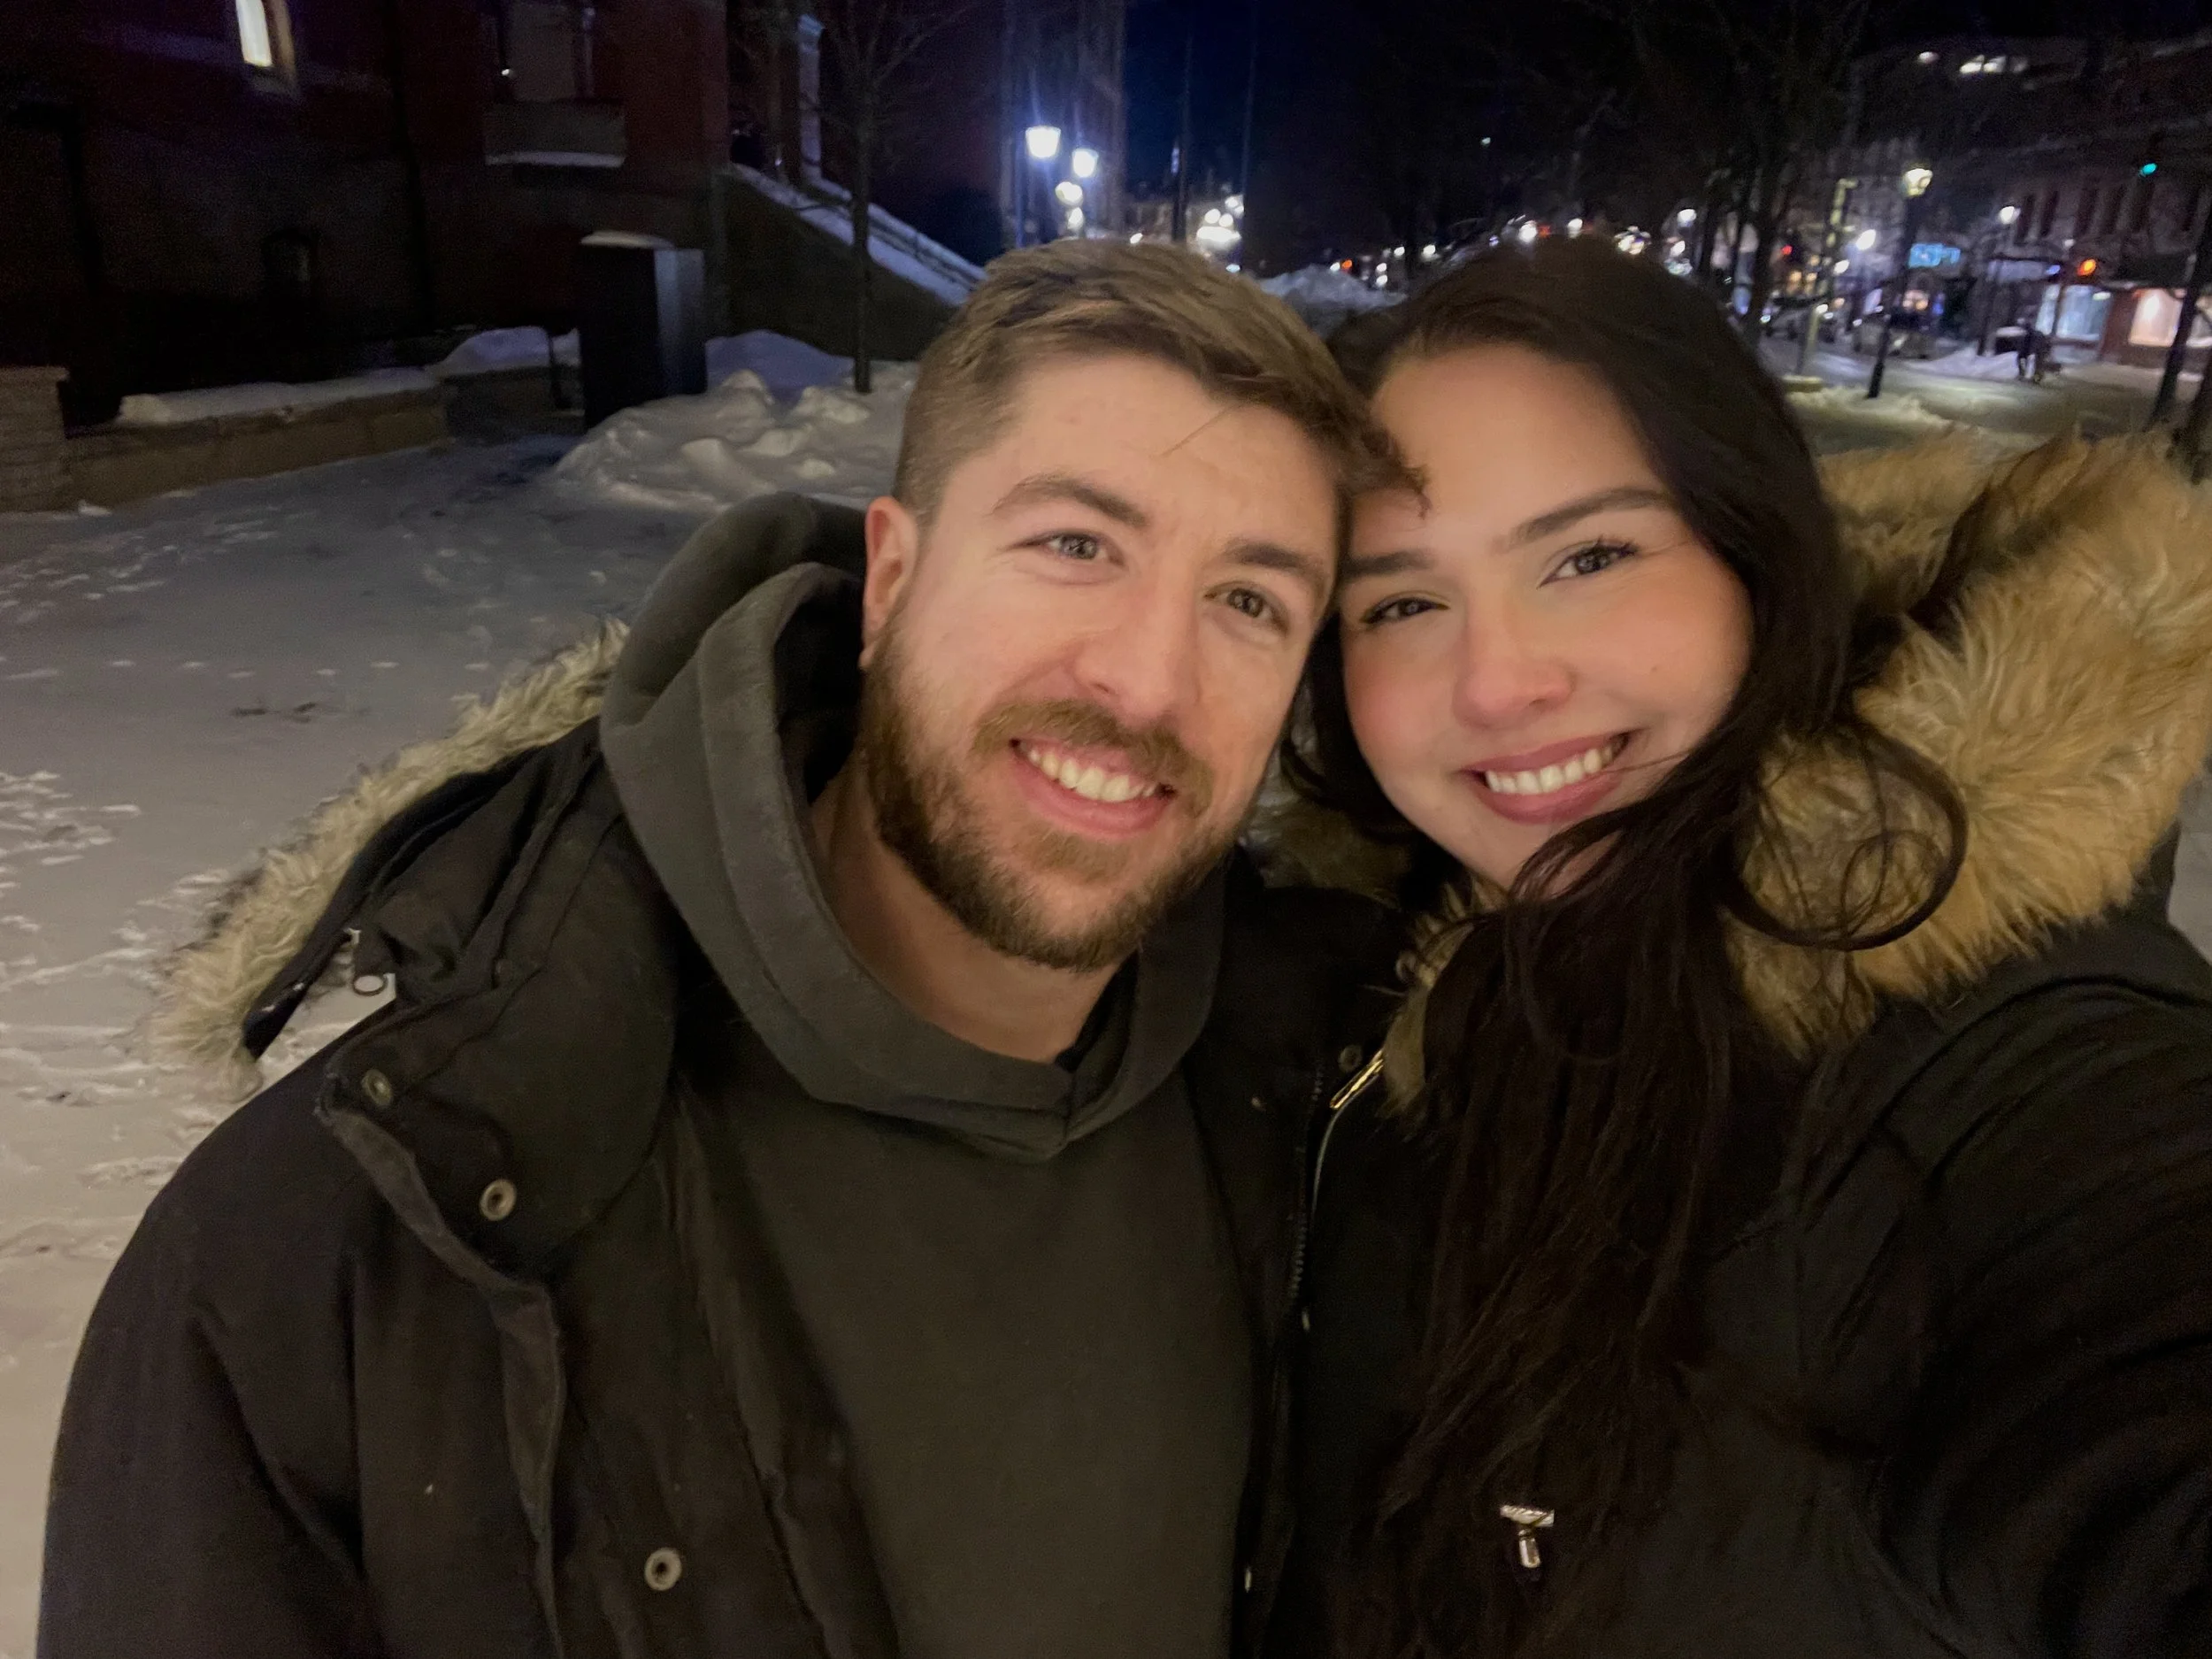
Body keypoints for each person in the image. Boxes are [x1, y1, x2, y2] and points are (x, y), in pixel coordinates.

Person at [40, 242, 1404, 1659]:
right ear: (891, 578)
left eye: (1249, 600)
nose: (1146, 677)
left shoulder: (1320, 1120)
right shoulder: (337, 1255)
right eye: (1075, 544)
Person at [1272, 239, 2212, 1659]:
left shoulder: (1990, 1068)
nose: (1499, 679)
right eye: (1402, 601)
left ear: (1756, 557)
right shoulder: (1367, 964)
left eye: (1590, 554)